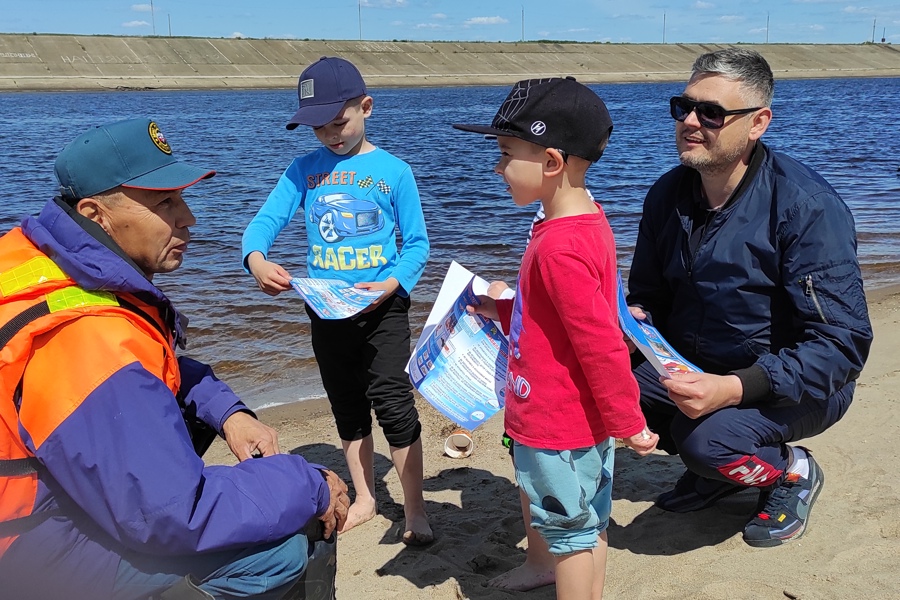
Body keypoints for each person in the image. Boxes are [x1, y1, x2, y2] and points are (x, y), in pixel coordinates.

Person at [0, 118, 351, 600]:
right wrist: (309, 482)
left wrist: (227, 413)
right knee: (285, 548)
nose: (188, 219)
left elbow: (146, 371)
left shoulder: (41, 259)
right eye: (165, 202)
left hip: (38, 510)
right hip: (27, 552)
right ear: (95, 213)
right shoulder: (87, 335)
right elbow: (175, 514)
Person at [626, 48, 873, 547]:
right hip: (695, 365)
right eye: (684, 107)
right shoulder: (666, 195)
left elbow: (842, 346)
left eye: (711, 113)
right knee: (600, 387)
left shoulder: (806, 208)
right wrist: (632, 322)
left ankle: (790, 472)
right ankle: (722, 473)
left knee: (708, 443)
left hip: (797, 384)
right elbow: (648, 296)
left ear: (758, 123)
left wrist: (733, 389)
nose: (691, 122)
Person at [454, 77, 659, 600]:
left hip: (556, 421)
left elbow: (599, 343)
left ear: (550, 162)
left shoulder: (558, 246)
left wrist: (630, 421)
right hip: (579, 418)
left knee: (570, 535)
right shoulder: (584, 218)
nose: (497, 168)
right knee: (590, 523)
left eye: (505, 154)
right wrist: (502, 308)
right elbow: (572, 313)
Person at [242, 56, 433, 545]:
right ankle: (367, 496)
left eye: (339, 122)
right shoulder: (303, 171)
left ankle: (415, 509)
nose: (330, 135)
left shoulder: (395, 171)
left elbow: (416, 245)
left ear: (365, 107)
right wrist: (257, 259)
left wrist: (392, 284)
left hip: (383, 311)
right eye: (318, 128)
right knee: (347, 407)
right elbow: (263, 224)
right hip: (326, 310)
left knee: (393, 404)